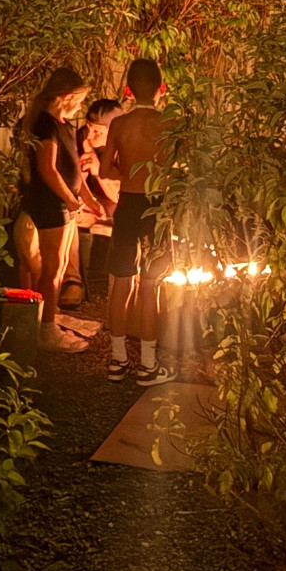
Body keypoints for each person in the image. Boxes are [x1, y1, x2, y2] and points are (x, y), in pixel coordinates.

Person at [98, 57, 173, 384]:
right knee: (150, 286)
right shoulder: (171, 124)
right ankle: (148, 365)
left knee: (122, 282)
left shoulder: (119, 125)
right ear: (162, 89)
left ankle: (117, 361)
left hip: (127, 204)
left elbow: (103, 170)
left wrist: (127, 174)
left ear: (127, 91)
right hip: (156, 207)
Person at [20, 66, 104, 351]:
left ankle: (50, 318)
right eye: (79, 100)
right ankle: (44, 329)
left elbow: (74, 170)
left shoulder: (64, 125)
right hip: (50, 203)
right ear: (67, 96)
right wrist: (69, 198)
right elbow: (48, 168)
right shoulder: (45, 124)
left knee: (59, 266)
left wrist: (88, 199)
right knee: (52, 268)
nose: (80, 107)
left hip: (64, 204)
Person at [59, 96, 123, 308]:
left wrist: (99, 171)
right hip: (90, 207)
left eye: (98, 131)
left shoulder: (124, 147)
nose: (91, 134)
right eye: (89, 128)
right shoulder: (80, 140)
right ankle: (73, 279)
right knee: (67, 217)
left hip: (117, 208)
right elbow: (74, 182)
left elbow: (120, 194)